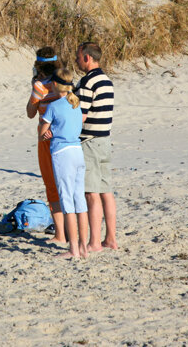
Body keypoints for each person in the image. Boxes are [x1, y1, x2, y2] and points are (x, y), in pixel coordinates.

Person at [38, 67, 89, 259]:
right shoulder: (76, 104)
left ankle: (73, 249)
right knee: (80, 201)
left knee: (67, 201)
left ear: (54, 85)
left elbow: (42, 133)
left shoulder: (54, 106)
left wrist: (47, 133)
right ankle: (83, 247)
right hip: (78, 152)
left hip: (62, 154)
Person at [74, 41, 118, 252]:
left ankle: (94, 242)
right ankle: (110, 238)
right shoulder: (106, 80)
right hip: (105, 140)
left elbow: (81, 116)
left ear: (87, 58)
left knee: (91, 193)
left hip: (90, 142)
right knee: (106, 191)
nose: (76, 61)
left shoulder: (87, 82)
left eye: (78, 57)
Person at [26, 47, 65, 244]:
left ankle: (60, 233)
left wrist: (35, 88)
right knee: (68, 185)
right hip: (67, 138)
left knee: (52, 186)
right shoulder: (65, 83)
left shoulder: (40, 85)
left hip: (47, 139)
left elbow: (30, 112)